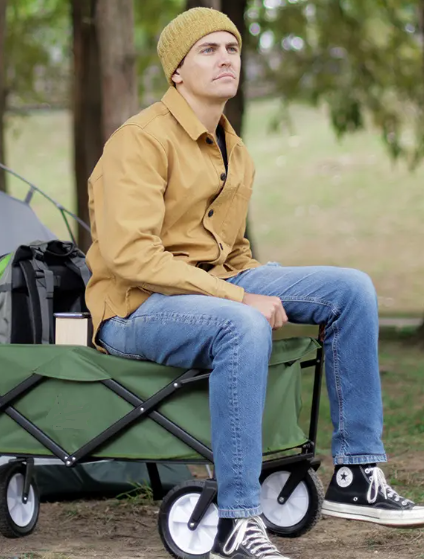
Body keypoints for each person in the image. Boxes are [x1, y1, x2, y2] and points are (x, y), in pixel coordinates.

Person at [84, 7, 424, 559]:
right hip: (135, 306)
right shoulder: (140, 141)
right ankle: (236, 521)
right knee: (242, 324)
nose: (226, 59)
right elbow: (131, 257)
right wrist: (241, 296)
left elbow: (232, 251)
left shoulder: (233, 148)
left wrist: (260, 283)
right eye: (208, 50)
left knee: (350, 289)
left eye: (232, 49)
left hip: (214, 287)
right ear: (176, 71)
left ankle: (357, 474)